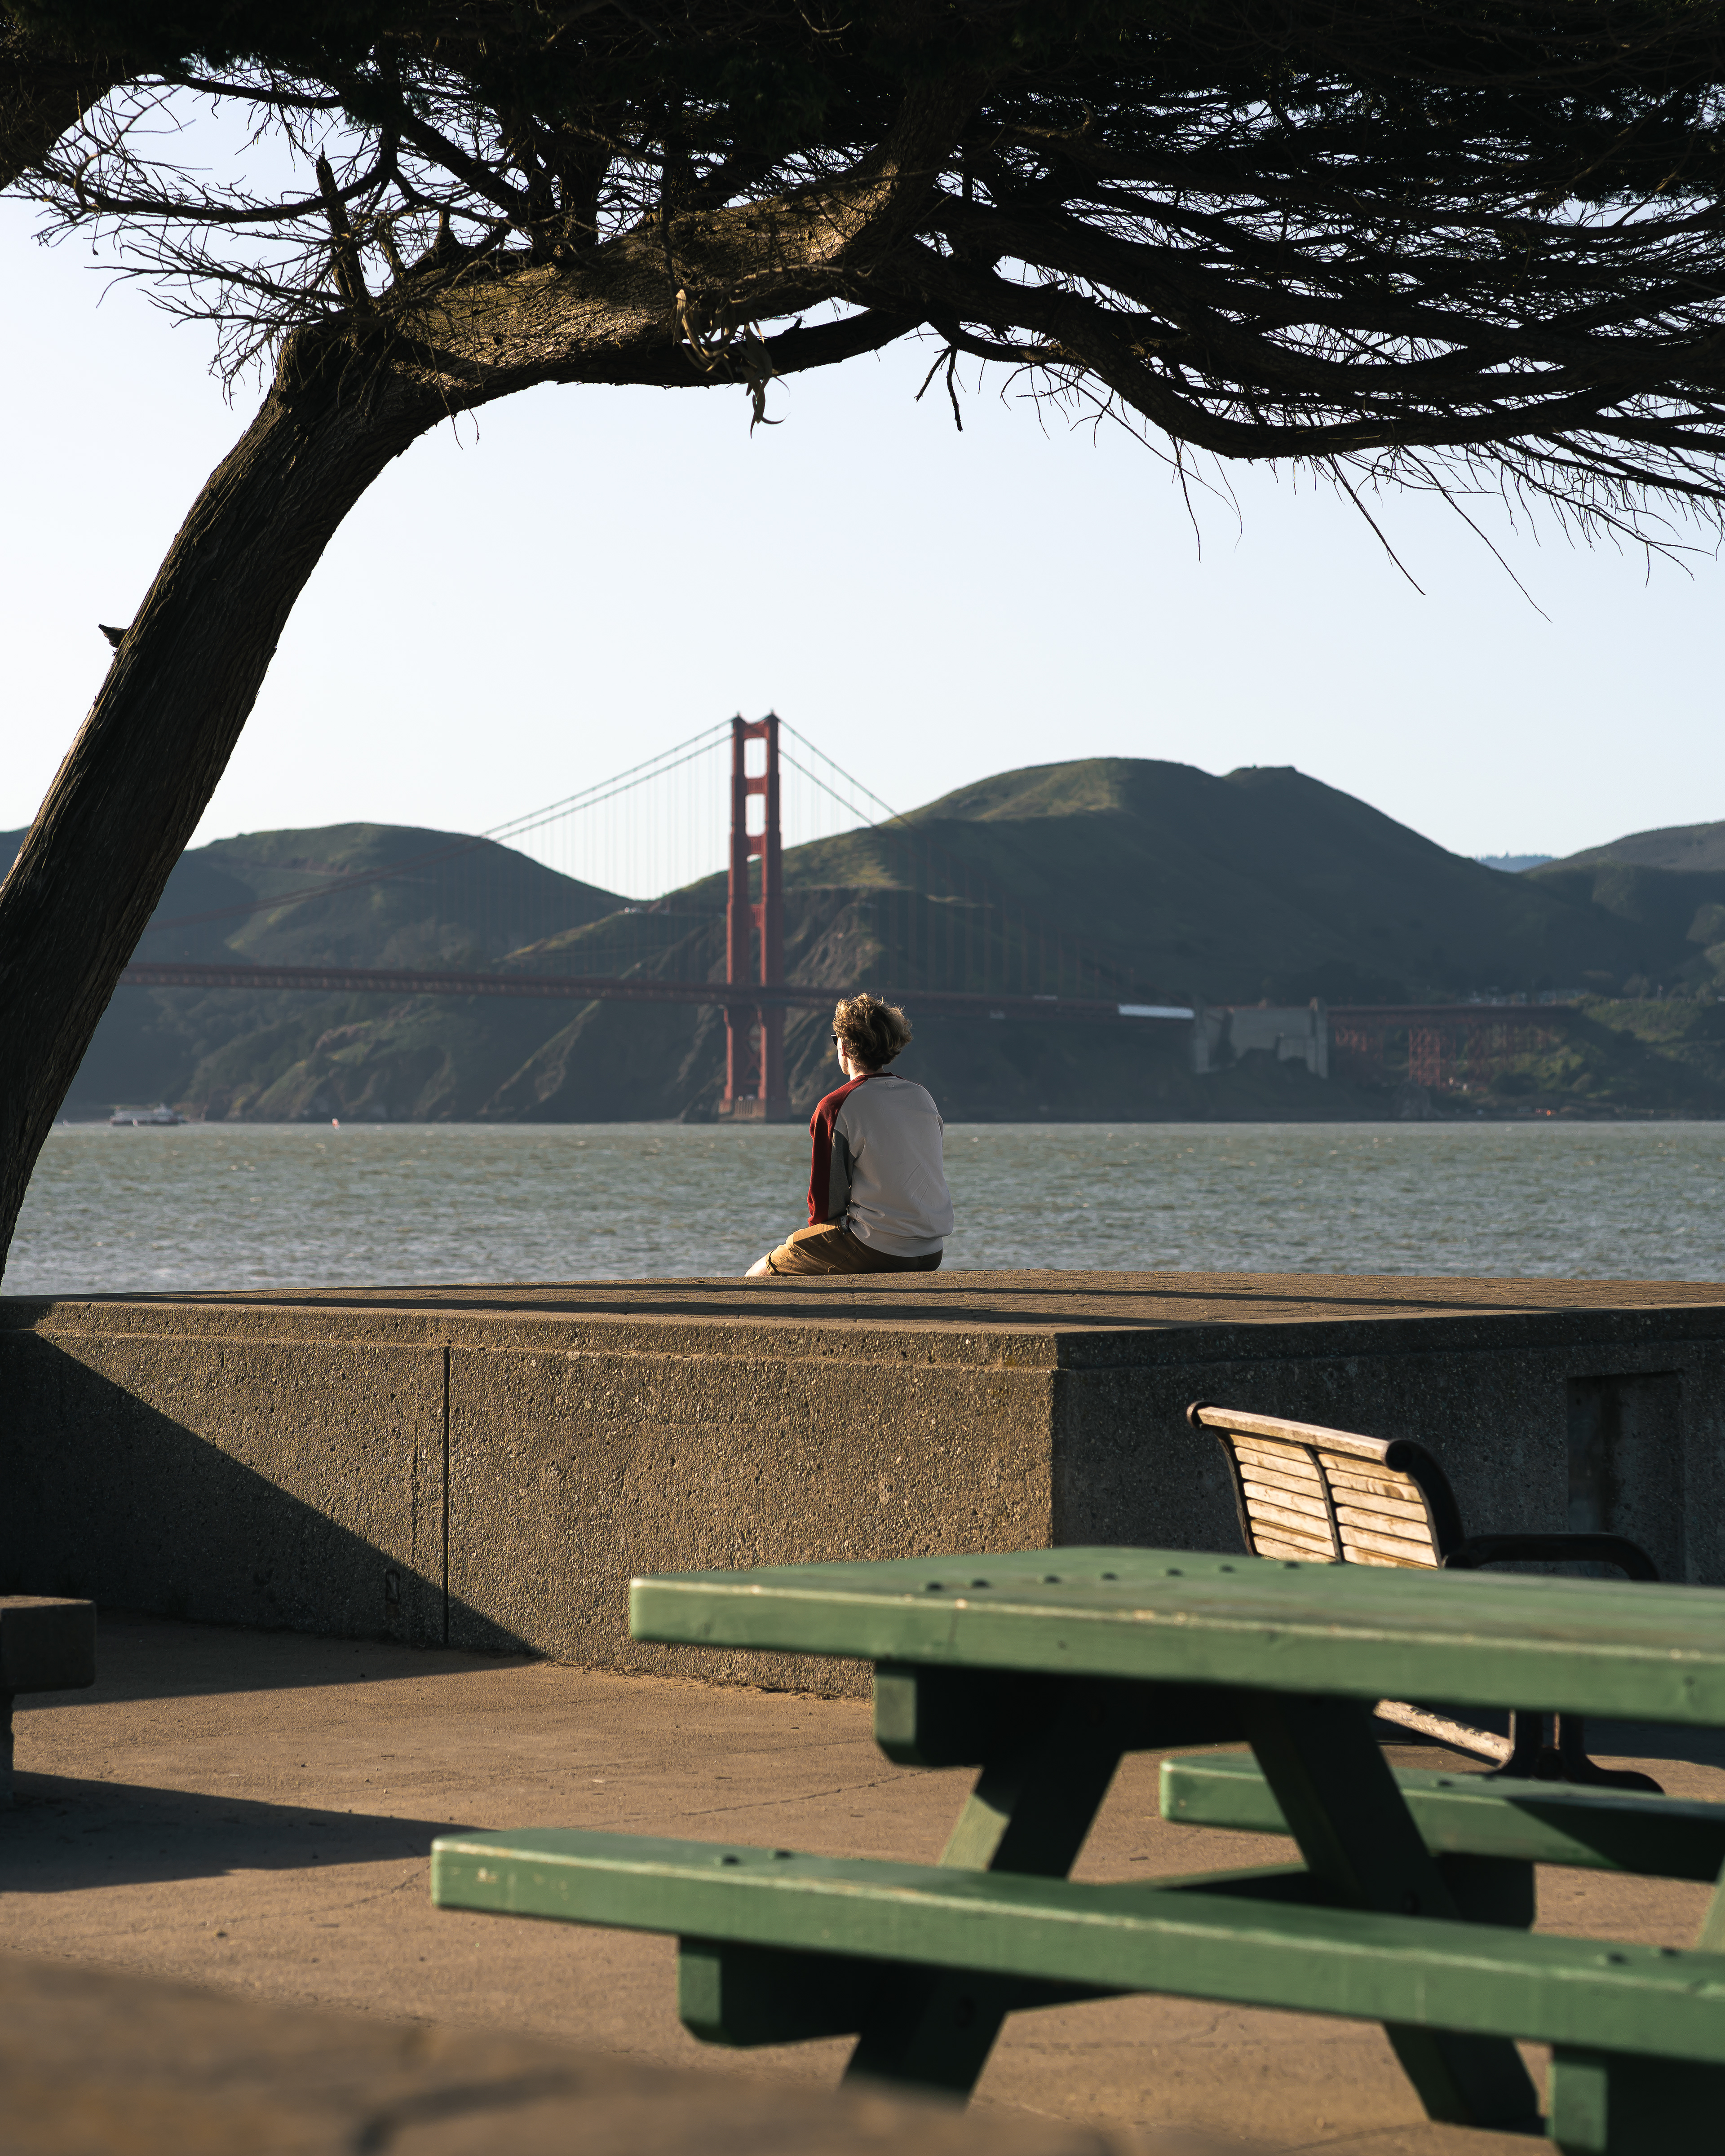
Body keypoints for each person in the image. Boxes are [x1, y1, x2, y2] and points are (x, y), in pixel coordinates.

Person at [745, 993, 953, 1277]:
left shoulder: (836, 1106)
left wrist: (818, 1242)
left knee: (761, 1273)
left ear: (844, 1046)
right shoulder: (922, 1097)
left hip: (878, 1248)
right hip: (931, 1251)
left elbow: (825, 1204)